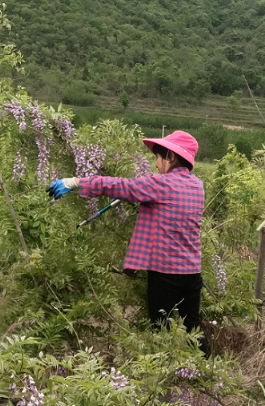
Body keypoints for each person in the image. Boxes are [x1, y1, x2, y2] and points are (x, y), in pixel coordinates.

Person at [48, 131, 207, 353]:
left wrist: (74, 181)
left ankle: (164, 378)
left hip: (165, 274)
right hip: (191, 272)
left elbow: (121, 186)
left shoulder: (161, 185)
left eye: (157, 158)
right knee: (193, 329)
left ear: (170, 156)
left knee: (160, 330)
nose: (155, 165)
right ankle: (205, 374)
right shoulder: (197, 186)